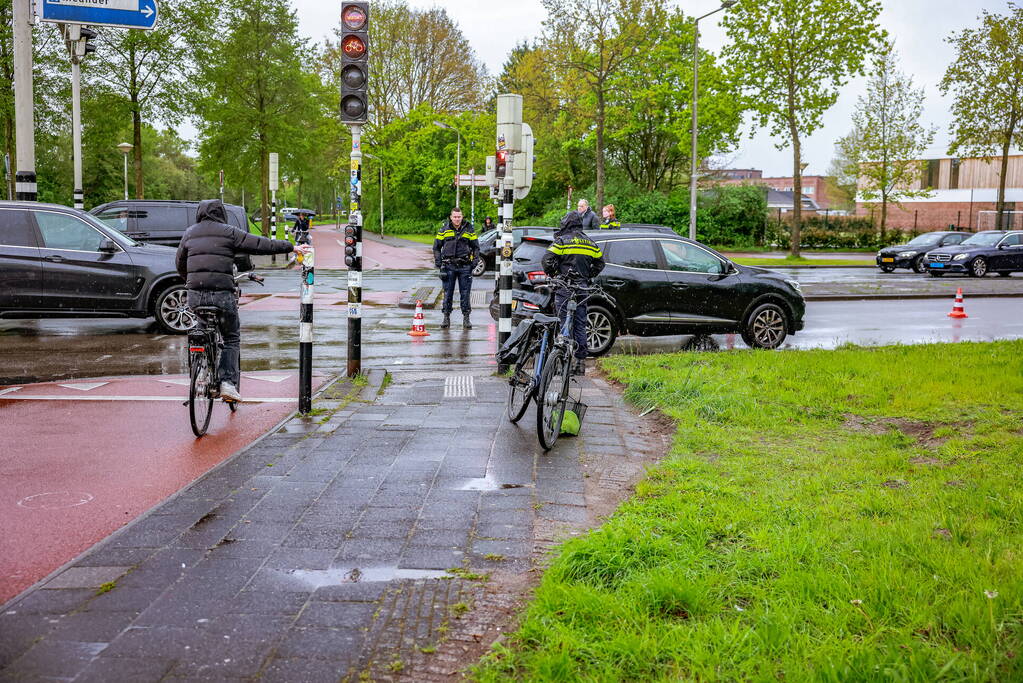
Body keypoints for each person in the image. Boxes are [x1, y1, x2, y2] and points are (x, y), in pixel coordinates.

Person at [176, 199, 309, 403]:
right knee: (230, 337)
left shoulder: (189, 232)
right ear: (221, 213)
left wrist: (191, 281)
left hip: (196, 295)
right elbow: (260, 244)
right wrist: (291, 247)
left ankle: (200, 375)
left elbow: (180, 263)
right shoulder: (228, 231)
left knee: (202, 331)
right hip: (222, 294)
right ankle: (227, 383)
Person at [541, 211, 605, 375]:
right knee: (580, 324)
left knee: (563, 323)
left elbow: (547, 260)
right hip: (582, 288)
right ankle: (580, 363)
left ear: (566, 224)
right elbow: (600, 263)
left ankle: (561, 361)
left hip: (565, 287)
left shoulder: (562, 241)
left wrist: (555, 274)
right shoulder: (590, 243)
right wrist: (587, 276)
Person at [433, 207, 479, 330]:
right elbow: (436, 247)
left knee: (465, 293)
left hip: (465, 266)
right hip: (449, 266)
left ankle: (466, 318)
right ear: (451, 217)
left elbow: (476, 247)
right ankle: (446, 318)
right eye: (455, 217)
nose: (457, 219)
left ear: (462, 217)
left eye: (459, 217)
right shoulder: (444, 229)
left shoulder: (469, 229)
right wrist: (439, 262)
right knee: (447, 293)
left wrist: (474, 262)